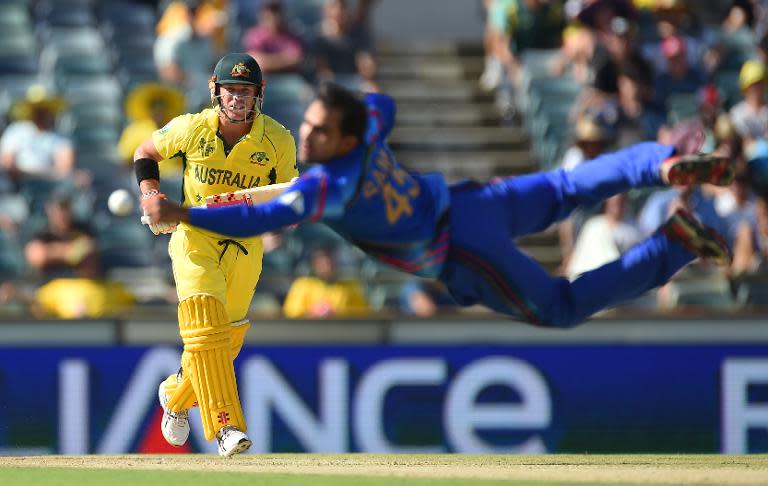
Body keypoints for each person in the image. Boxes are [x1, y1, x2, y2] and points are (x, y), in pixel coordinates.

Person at [143, 82, 735, 331]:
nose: (309, 135)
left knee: (559, 306)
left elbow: (258, 217)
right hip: (471, 201)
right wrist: (355, 107)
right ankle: (658, 162)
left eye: (321, 130)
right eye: (310, 124)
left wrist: (184, 214)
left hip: (462, 249)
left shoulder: (327, 186)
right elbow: (382, 103)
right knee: (563, 187)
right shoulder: (367, 129)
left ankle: (675, 243)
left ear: (345, 139)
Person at [133, 52, 298, 456]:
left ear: (259, 94)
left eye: (245, 91)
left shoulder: (278, 140)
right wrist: (152, 194)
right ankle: (226, 427)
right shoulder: (192, 128)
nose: (237, 99)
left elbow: (289, 201)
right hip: (194, 237)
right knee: (204, 324)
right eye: (231, 90)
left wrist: (280, 216)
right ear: (215, 91)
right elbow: (144, 152)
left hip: (244, 247)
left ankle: (174, 396)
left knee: (225, 341)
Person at [282, 245, 370, 318]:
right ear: (314, 264)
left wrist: (338, 314)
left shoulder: (350, 285)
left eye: (330, 261)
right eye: (322, 262)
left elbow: (364, 313)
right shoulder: (302, 284)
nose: (327, 266)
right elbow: (291, 313)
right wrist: (312, 312)